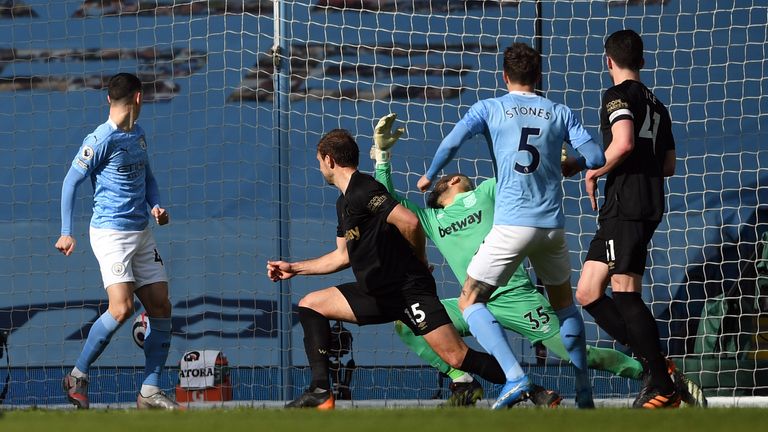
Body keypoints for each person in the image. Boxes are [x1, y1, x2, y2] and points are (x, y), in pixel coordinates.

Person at [372, 114, 705, 408]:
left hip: (515, 297)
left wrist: (552, 156)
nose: (450, 176)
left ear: (457, 181)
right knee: (410, 324)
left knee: (580, 355)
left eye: (449, 174)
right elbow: (387, 203)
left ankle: (658, 370)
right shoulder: (430, 219)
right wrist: (382, 157)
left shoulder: (489, 191)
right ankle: (467, 380)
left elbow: (525, 176)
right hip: (472, 302)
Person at [416, 42, 606, 409]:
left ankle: (515, 377)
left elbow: (453, 140)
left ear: (504, 76)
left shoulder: (490, 108)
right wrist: (576, 163)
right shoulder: (559, 111)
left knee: (469, 301)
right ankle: (585, 393)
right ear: (538, 77)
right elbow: (597, 156)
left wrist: (430, 175)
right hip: (552, 228)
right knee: (565, 309)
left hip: (512, 226)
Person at [266, 129, 511, 410]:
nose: (319, 167)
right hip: (376, 295)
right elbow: (341, 257)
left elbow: (410, 222)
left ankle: (527, 386)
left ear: (329, 160)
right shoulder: (343, 202)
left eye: (319, 161)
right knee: (311, 305)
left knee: (457, 356)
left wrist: (419, 259)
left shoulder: (363, 188)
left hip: (407, 291)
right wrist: (294, 269)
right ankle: (321, 390)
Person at [570, 29, 682, 409]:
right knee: (587, 292)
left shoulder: (616, 95)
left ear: (608, 61)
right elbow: (668, 165)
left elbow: (624, 142)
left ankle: (661, 382)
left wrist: (595, 172)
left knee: (625, 291)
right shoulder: (659, 106)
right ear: (643, 61)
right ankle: (656, 365)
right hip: (643, 203)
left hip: (627, 205)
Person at [55, 73, 179, 410]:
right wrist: (67, 231)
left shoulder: (138, 135)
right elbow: (71, 182)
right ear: (139, 98)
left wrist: (155, 205)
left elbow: (148, 178)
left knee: (161, 306)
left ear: (110, 99)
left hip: (141, 232)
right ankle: (77, 375)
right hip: (111, 234)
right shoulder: (100, 139)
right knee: (122, 308)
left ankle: (150, 390)